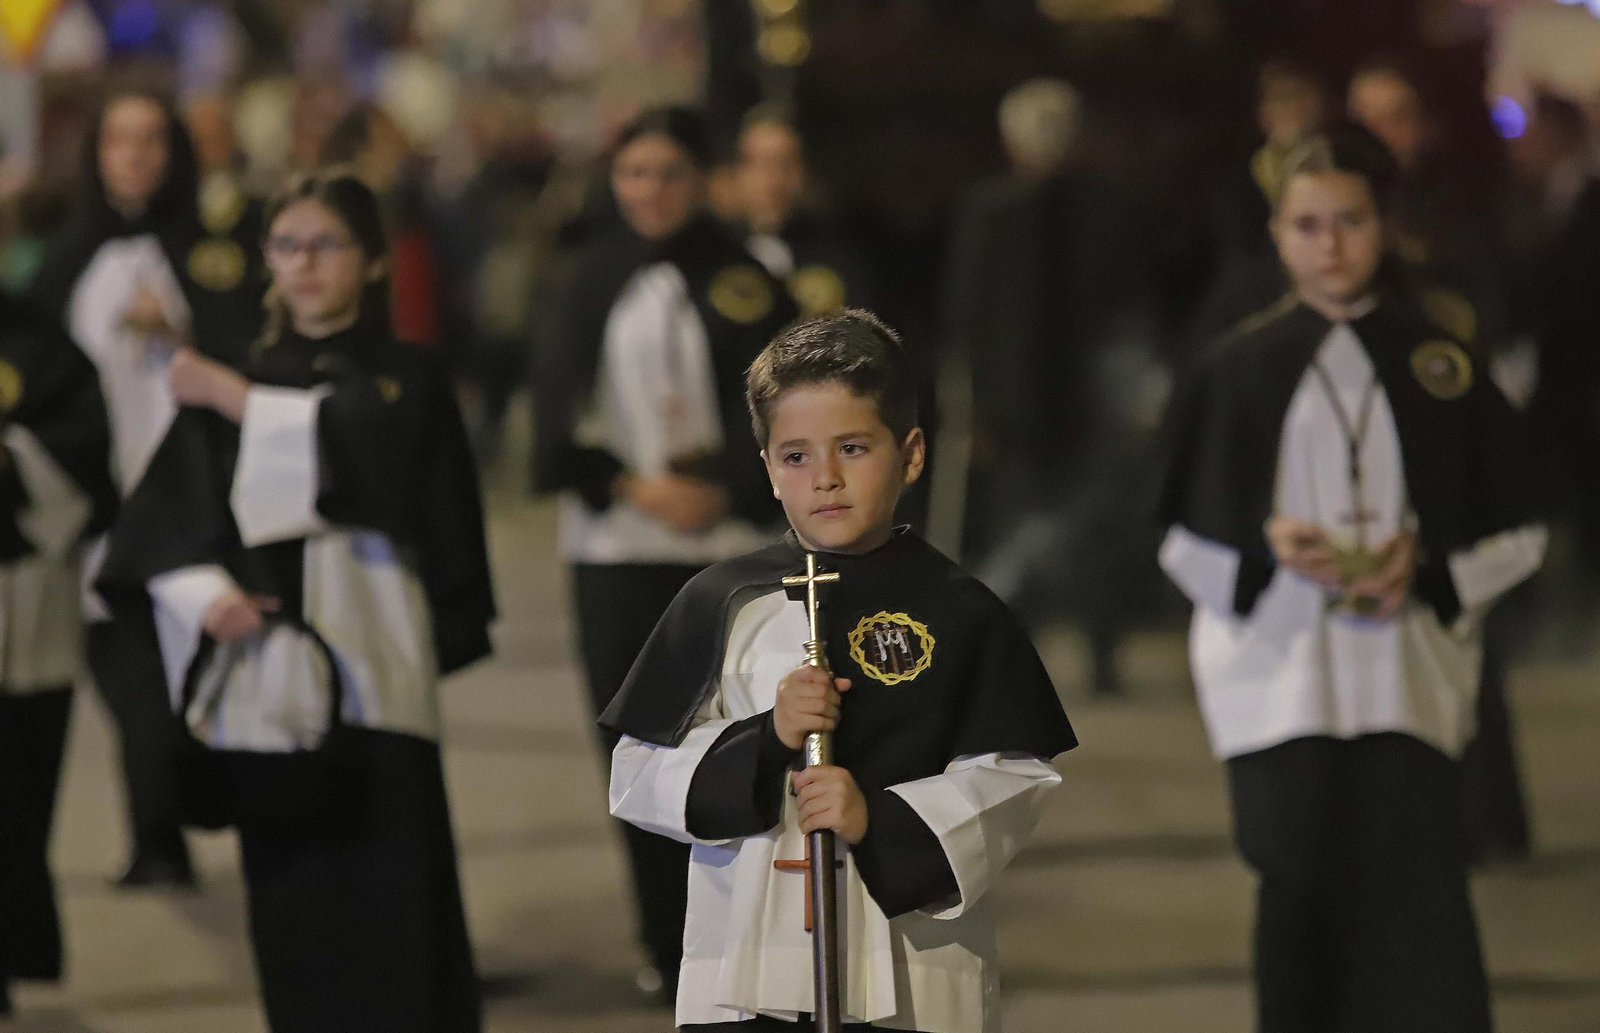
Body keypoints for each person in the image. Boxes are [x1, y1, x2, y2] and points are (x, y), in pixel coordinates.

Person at [1157, 126, 1547, 1033]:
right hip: (1278, 682)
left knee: (1418, 903)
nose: (1329, 243)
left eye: (1349, 221)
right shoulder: (1235, 367)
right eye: (1307, 224)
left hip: (1407, 679)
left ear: (1385, 226)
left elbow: (1524, 520)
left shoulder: (1440, 363)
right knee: (1295, 896)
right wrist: (1266, 549)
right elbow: (1178, 537)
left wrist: (1435, 566)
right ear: (1277, 235)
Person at [601, 310, 1076, 1031]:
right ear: (766, 468)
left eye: (853, 447)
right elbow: (638, 773)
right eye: (795, 456)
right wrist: (765, 739)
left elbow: (1010, 776)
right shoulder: (723, 602)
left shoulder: (961, 611)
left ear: (911, 454)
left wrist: (879, 820)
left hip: (913, 970)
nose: (824, 477)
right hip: (745, 958)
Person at [97, 169, 492, 1033]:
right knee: (296, 914)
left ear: (373, 262)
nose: (304, 263)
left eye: (326, 244)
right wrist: (206, 597)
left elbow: (379, 472)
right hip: (267, 695)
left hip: (380, 672)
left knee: (397, 906)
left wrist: (241, 404)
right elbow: (159, 530)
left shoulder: (402, 378)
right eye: (286, 245)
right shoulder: (235, 371)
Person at [531, 105, 797, 1001]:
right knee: (639, 744)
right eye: (635, 174)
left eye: (668, 174)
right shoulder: (584, 276)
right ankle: (663, 938)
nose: (651, 192)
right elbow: (551, 416)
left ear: (700, 179)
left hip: (723, 543)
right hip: (615, 543)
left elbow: (790, 401)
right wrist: (635, 486)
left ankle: (740, 936)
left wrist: (724, 482)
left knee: (734, 737)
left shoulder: (743, 276)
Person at [29, 85, 266, 889]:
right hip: (97, 509)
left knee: (183, 672)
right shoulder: (62, 262)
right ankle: (155, 837)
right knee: (126, 677)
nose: (135, 156)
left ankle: (183, 811)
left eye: (152, 140)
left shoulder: (211, 254)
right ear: (94, 155)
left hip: (194, 505)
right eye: (118, 140)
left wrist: (180, 334)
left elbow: (255, 357)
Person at [0, 289, 118, 1018]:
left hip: (31, 599)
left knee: (19, 789)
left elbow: (85, 450)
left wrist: (13, 460)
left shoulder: (36, 337)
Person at [735, 106, 875, 317]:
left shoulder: (841, 258)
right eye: (759, 162)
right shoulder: (716, 256)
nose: (773, 177)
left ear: (804, 172)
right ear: (737, 171)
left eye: (785, 163)